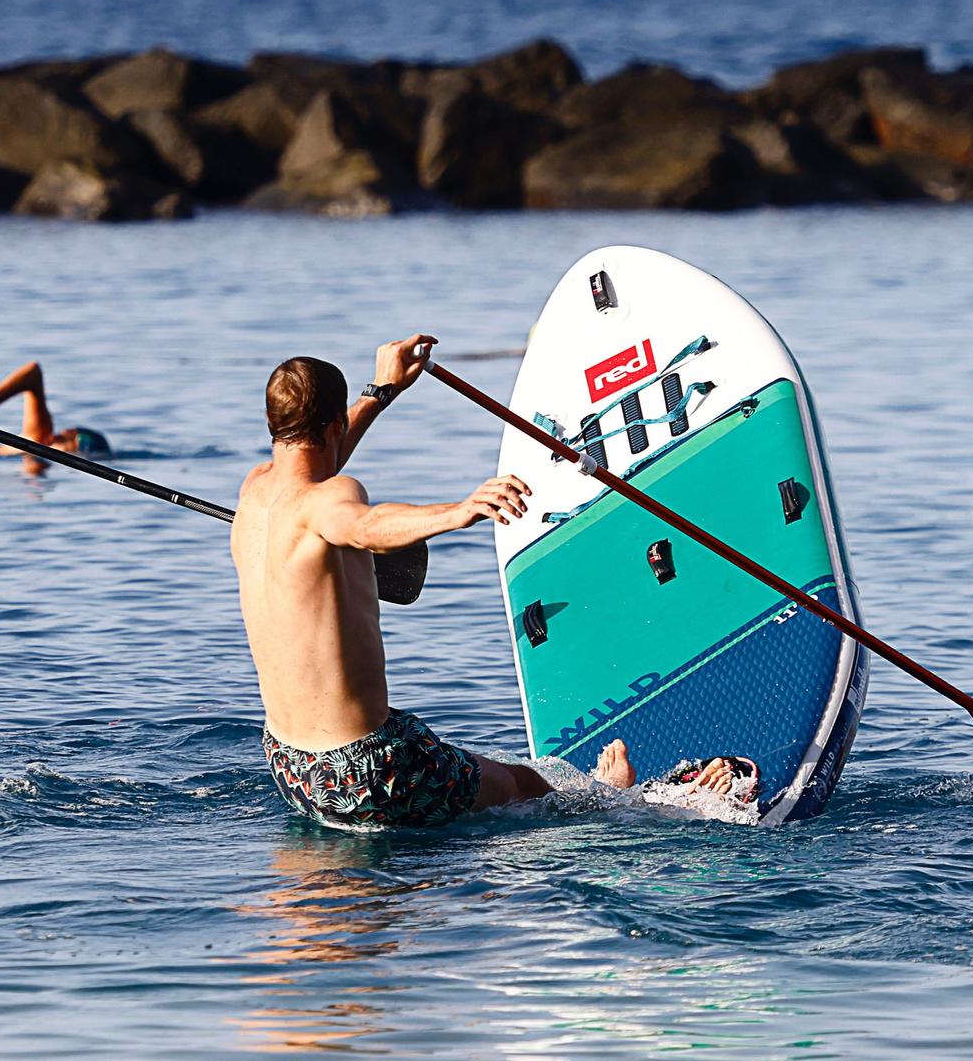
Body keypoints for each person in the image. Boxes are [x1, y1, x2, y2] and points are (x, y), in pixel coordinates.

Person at [230, 337, 748, 831]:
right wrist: (459, 512)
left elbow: (316, 471)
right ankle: (621, 802)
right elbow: (362, 524)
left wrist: (381, 392)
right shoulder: (335, 499)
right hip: (370, 769)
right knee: (535, 789)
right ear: (329, 428)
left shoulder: (256, 491)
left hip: (294, 770)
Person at [0, 360, 111, 470]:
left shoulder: (39, 457)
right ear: (67, 434)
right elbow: (33, 373)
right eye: (75, 447)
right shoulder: (41, 438)